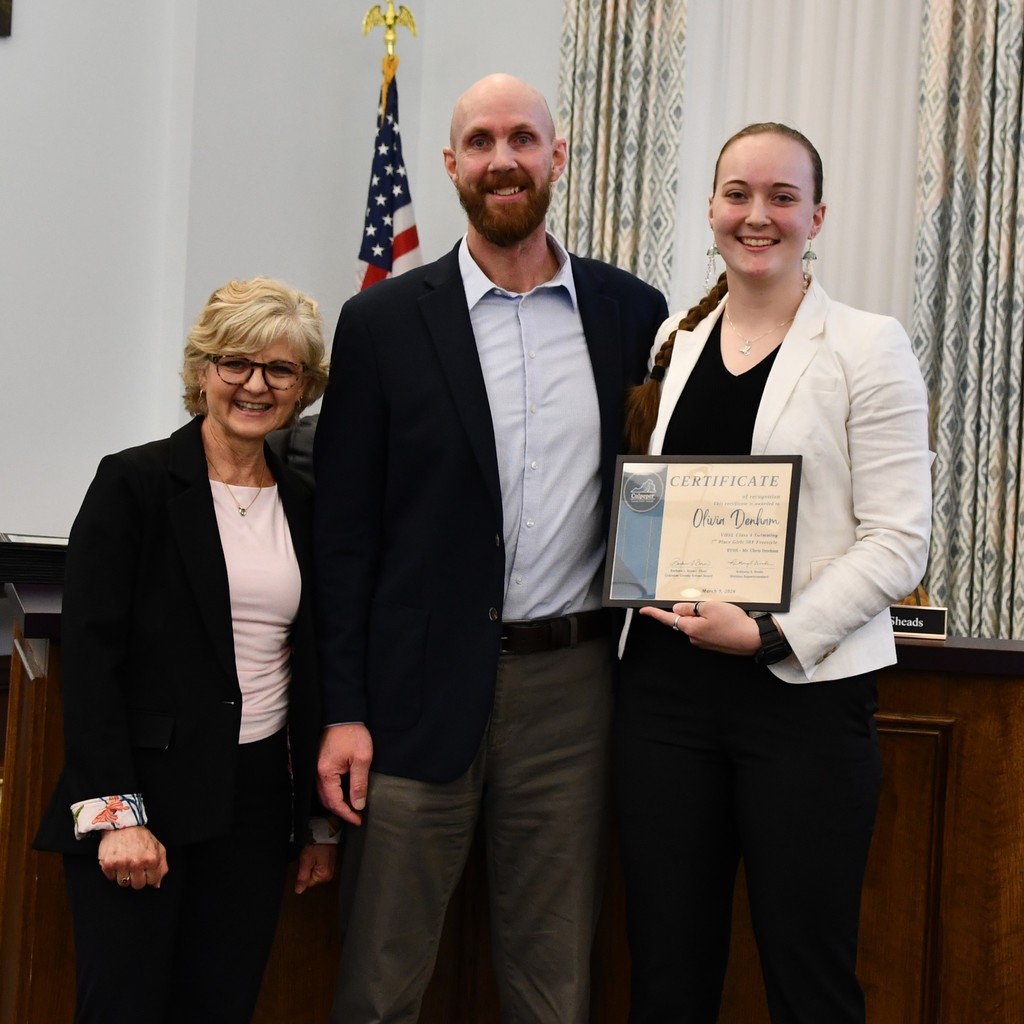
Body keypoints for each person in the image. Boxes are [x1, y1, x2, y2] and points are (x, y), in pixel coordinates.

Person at [313, 73, 668, 1022]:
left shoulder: (633, 314)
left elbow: (662, 492)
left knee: (553, 982)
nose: (501, 159)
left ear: (558, 156)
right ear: (451, 165)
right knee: (381, 976)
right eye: (480, 141)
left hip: (573, 689)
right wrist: (343, 709)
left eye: (522, 138)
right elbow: (343, 541)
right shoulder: (383, 324)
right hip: (412, 690)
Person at [614, 123, 933, 1023]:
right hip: (665, 699)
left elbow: (900, 537)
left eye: (782, 198)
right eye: (739, 195)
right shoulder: (673, 339)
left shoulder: (868, 346)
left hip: (802, 696)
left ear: (816, 216)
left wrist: (769, 635)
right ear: (712, 209)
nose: (758, 215)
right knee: (667, 969)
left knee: (808, 973)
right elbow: (653, 505)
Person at [34, 277, 336, 1023]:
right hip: (145, 799)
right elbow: (92, 665)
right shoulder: (133, 483)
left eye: (280, 369)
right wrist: (116, 815)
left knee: (221, 1007)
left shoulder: (305, 502)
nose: (254, 385)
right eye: (236, 362)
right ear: (203, 370)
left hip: (256, 804)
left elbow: (315, 664)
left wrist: (312, 824)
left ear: (304, 387)